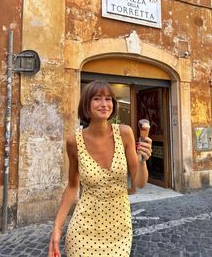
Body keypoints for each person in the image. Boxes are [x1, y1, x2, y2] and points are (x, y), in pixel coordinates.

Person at [48, 80, 152, 257]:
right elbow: (73, 187)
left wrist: (143, 161)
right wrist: (57, 229)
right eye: (97, 99)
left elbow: (140, 183)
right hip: (83, 229)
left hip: (120, 229)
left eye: (109, 99)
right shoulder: (74, 141)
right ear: (86, 105)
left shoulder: (125, 133)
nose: (104, 104)